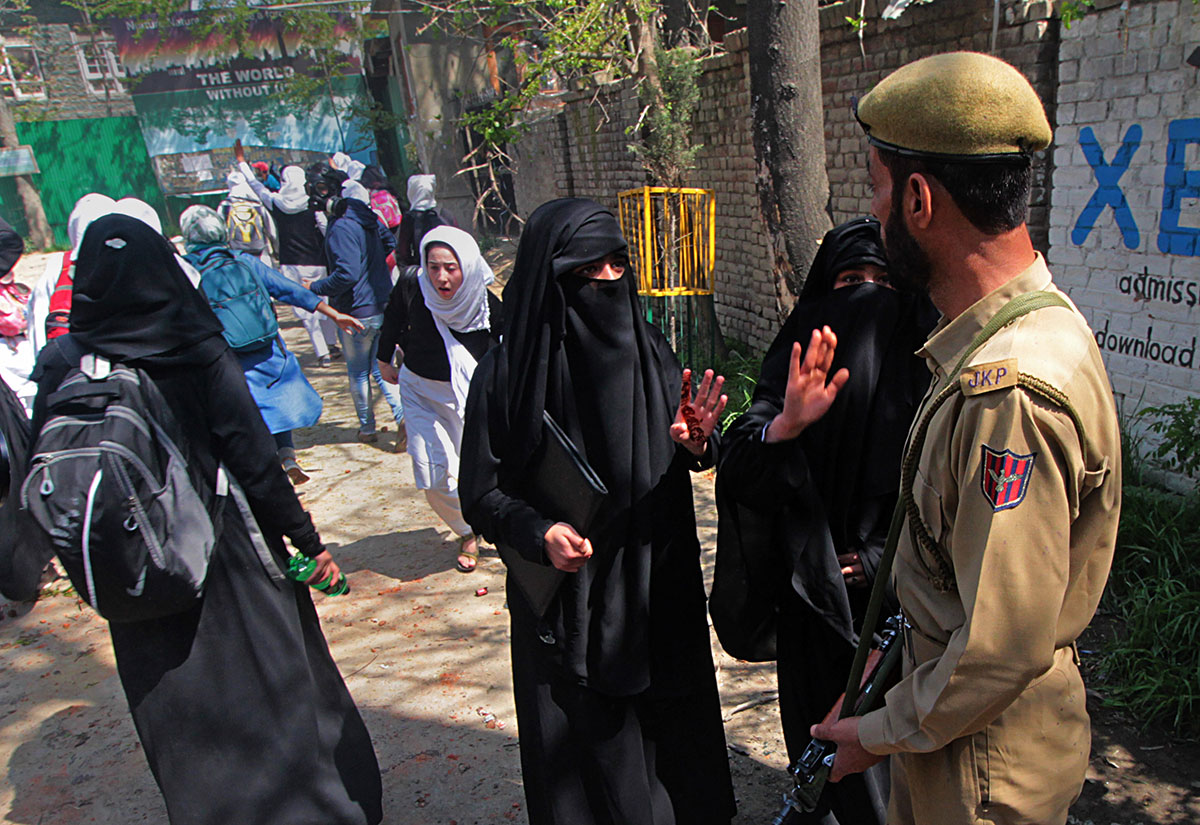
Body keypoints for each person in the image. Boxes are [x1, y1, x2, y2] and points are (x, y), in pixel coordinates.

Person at [808, 52, 1121, 825]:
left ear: (918, 199)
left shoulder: (1009, 388)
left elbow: (1000, 647)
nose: (872, 213)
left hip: (979, 766)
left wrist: (876, 733)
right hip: (955, 729)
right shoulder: (1012, 335)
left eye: (877, 189)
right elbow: (956, 572)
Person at [28, 214, 383, 825]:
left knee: (180, 720)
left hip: (134, 574)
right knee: (275, 696)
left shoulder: (60, 361)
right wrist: (306, 541)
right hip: (225, 561)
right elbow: (254, 458)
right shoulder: (191, 343)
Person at [459, 198, 736, 825]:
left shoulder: (649, 349)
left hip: (655, 588)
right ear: (551, 279)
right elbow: (481, 491)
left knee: (676, 756)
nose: (609, 283)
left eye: (619, 265)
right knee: (591, 776)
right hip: (568, 603)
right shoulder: (507, 376)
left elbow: (690, 442)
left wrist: (698, 442)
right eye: (590, 272)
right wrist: (539, 530)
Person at [717, 217, 935, 825]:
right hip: (810, 602)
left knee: (892, 768)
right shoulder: (792, 368)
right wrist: (786, 427)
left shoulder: (934, 377)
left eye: (883, 281)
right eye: (849, 279)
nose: (866, 294)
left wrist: (874, 562)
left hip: (900, 616)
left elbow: (949, 504)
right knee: (816, 748)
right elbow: (741, 469)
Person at [180, 205, 364, 483]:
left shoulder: (187, 270)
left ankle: (262, 466)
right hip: (265, 347)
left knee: (245, 411)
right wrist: (334, 314)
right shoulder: (244, 262)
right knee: (277, 403)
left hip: (224, 355)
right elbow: (289, 290)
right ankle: (287, 455)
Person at [377, 226, 501, 573]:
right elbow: (393, 318)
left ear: (468, 265)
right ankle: (466, 531)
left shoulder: (485, 302)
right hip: (420, 391)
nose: (441, 277)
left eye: (451, 267)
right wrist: (384, 358)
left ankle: (496, 525)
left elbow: (510, 345)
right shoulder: (412, 287)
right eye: (434, 267)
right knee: (433, 470)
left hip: (470, 396)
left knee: (478, 468)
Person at [308, 167, 405, 448]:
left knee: (359, 372)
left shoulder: (341, 227)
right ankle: (401, 418)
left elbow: (346, 275)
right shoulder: (370, 219)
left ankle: (366, 428)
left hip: (355, 313)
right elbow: (390, 243)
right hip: (380, 304)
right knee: (381, 365)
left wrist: (314, 288)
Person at [235, 144, 342, 367]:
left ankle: (322, 352)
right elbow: (325, 230)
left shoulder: (276, 203)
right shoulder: (314, 204)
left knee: (306, 309)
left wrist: (242, 163)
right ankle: (331, 343)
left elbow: (256, 186)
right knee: (324, 302)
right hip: (317, 262)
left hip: (290, 264)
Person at [395, 174, 457, 268]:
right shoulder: (445, 214)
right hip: (450, 266)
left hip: (424, 269)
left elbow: (404, 252)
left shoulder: (409, 219)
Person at [219, 170, 277, 266]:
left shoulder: (225, 206)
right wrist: (276, 250)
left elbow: (221, 232)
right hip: (261, 253)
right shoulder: (257, 205)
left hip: (237, 254)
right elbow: (271, 231)